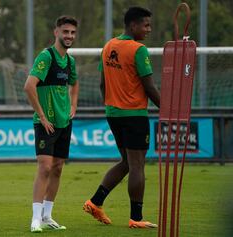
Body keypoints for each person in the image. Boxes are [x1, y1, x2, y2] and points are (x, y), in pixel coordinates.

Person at [83, 6, 160, 228]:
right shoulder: (138, 49)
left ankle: (95, 202)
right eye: (145, 25)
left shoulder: (108, 46)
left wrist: (112, 104)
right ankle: (136, 218)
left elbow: (102, 83)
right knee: (137, 165)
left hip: (113, 113)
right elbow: (150, 87)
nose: (149, 29)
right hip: (134, 114)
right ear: (132, 25)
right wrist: (168, 110)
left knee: (127, 162)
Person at [24, 15, 79, 233]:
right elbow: (29, 86)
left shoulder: (71, 61)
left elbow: (74, 83)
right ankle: (35, 219)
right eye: (65, 32)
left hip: (64, 122)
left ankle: (47, 216)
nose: (69, 36)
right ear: (56, 32)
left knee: (57, 168)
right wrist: (43, 117)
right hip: (45, 123)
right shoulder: (46, 57)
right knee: (45, 167)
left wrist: (73, 105)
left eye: (73, 32)